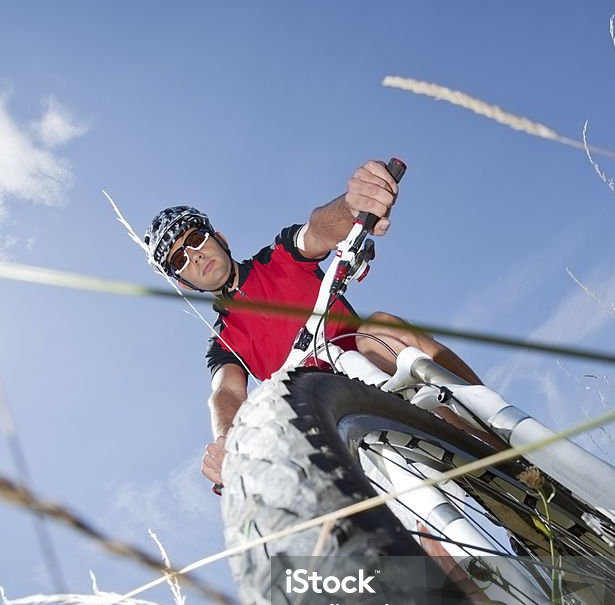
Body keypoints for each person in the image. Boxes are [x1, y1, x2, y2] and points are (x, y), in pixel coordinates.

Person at [144, 159, 483, 490]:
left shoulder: (279, 256)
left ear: (220, 238)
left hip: (373, 359)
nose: (195, 256)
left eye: (195, 240)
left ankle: (495, 437)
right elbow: (227, 392)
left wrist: (353, 206)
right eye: (179, 259)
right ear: (184, 284)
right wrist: (229, 443)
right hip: (328, 418)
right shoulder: (223, 343)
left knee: (381, 328)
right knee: (390, 512)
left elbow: (318, 231)